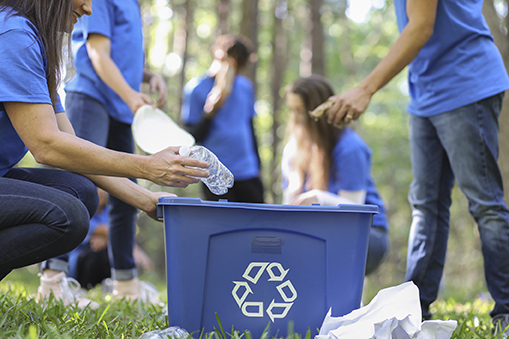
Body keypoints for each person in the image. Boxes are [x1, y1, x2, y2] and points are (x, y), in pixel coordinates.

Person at [0, 0, 209, 309]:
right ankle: (54, 281)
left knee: (81, 192)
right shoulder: (14, 35)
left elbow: (66, 145)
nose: (88, 8)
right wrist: (148, 166)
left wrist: (146, 198)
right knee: (67, 216)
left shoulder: (36, 42)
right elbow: (45, 146)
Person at [324, 0, 509, 334]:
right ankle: (415, 310)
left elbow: (421, 26)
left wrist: (365, 89)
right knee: (426, 206)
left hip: (466, 84)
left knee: (485, 205)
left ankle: (507, 312)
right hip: (425, 94)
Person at [63, 0, 168, 303]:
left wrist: (147, 76)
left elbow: (120, 53)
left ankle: (125, 285)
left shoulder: (133, 4)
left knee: (126, 196)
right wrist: (132, 96)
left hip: (121, 107)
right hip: (91, 97)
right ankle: (54, 278)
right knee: (80, 182)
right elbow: (97, 52)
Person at [281, 75, 389, 276]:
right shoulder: (293, 150)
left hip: (366, 235)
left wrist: (318, 198)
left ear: (317, 113)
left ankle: (350, 303)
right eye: (291, 110)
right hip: (316, 233)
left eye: (300, 111)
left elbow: (354, 210)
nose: (294, 119)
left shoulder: (349, 147)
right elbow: (288, 206)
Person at [181, 34, 264, 203]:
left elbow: (250, 127)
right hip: (215, 173)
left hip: (248, 171)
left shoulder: (245, 86)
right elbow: (192, 137)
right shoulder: (196, 89)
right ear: (218, 56)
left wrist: (258, 166)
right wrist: (210, 111)